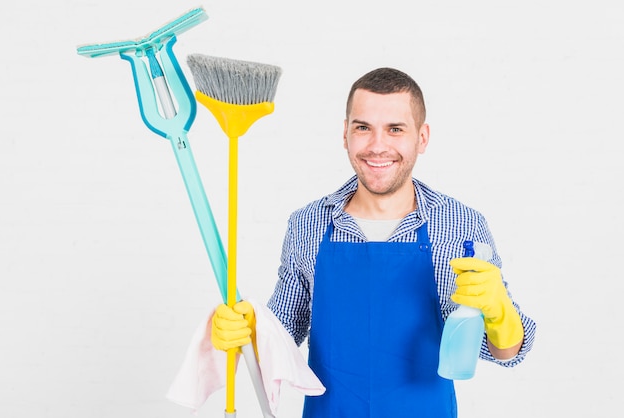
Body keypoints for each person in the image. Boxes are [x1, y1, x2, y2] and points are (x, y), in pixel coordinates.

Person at [211, 67, 537, 417]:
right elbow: (282, 335)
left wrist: (499, 312)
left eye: (395, 129)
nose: (377, 146)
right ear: (345, 135)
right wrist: (248, 333)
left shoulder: (460, 225)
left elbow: (507, 352)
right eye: (363, 128)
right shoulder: (308, 223)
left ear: (422, 138)